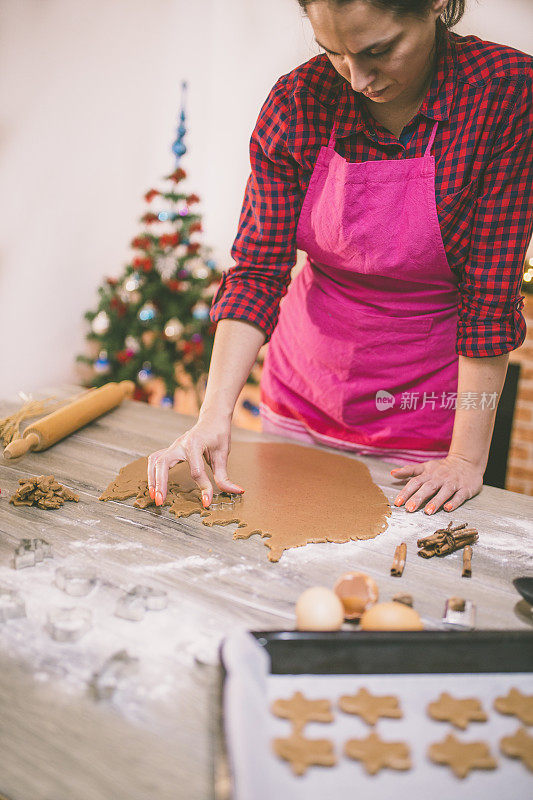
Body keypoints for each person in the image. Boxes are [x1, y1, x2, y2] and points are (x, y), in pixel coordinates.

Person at [147, 0, 533, 517]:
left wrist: (465, 458)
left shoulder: (505, 93)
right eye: (335, 53)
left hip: (427, 420)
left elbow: (489, 299)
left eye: (378, 50)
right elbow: (257, 273)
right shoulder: (298, 101)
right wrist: (214, 413)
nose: (357, 79)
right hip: (300, 395)